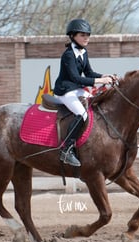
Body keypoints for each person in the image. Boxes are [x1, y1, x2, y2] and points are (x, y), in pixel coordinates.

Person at [54, 18, 116, 167]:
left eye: (88, 35)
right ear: (73, 36)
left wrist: (104, 76)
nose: (86, 38)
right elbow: (76, 78)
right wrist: (101, 82)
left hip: (76, 89)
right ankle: (66, 150)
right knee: (82, 114)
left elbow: (89, 72)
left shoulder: (84, 52)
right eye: (82, 35)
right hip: (65, 91)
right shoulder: (68, 55)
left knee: (96, 107)